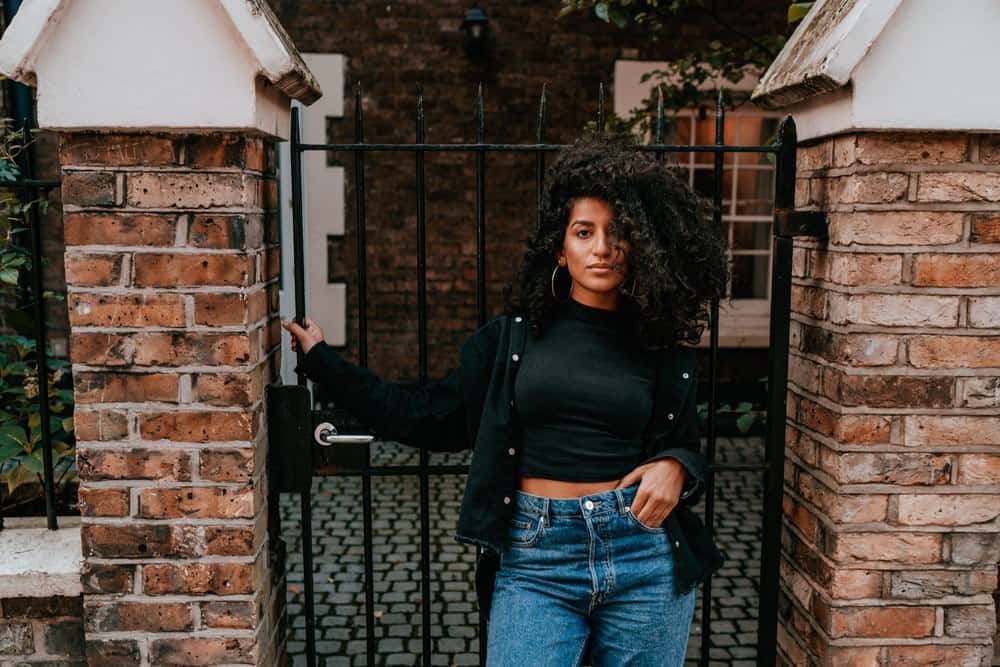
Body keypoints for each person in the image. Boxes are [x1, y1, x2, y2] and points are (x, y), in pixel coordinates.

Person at [283, 133, 729, 666]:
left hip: (642, 550)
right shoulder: (511, 340)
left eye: (618, 233)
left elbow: (685, 446)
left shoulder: (661, 346)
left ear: (642, 246)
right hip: (536, 554)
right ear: (560, 249)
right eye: (584, 232)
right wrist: (322, 364)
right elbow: (427, 417)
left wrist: (677, 468)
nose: (602, 247)